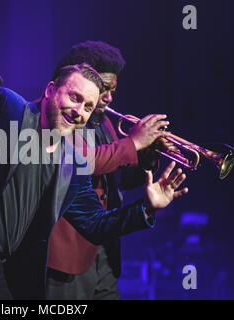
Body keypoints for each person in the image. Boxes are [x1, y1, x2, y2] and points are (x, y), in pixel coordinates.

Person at [0, 63, 188, 299]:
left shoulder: (72, 161)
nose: (79, 111)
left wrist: (147, 209)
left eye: (87, 106)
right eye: (74, 97)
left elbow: (94, 224)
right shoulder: (8, 108)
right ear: (50, 90)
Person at [46, 41, 173, 299]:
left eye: (112, 90)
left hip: (101, 252)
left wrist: (147, 158)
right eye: (104, 90)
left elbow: (114, 179)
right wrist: (133, 142)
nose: (110, 98)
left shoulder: (103, 123)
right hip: (65, 257)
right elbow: (81, 162)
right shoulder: (60, 117)